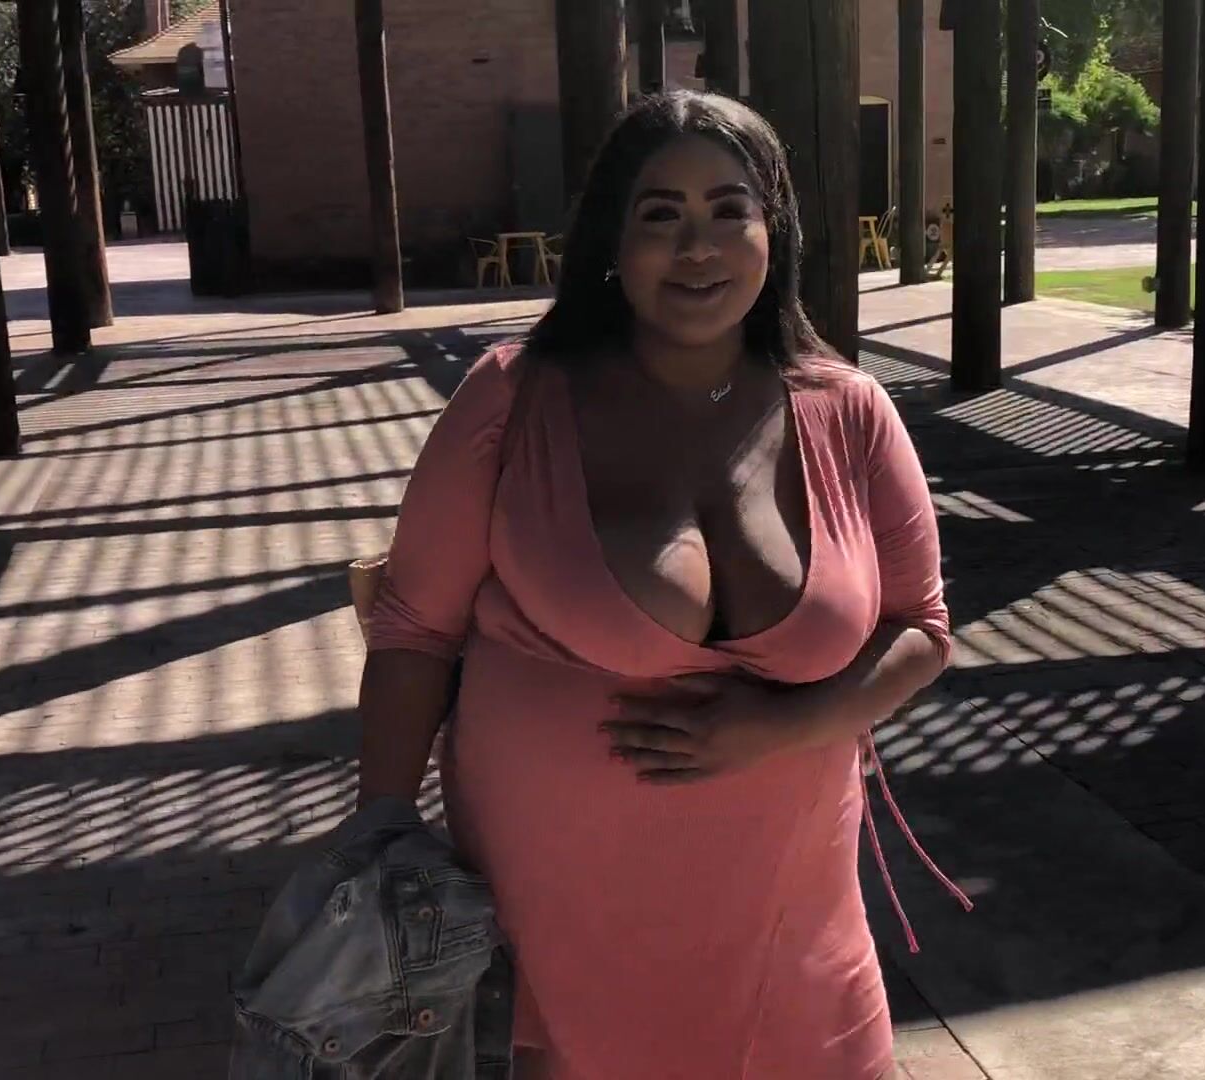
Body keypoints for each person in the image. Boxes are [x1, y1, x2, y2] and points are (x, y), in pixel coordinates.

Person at [359, 90, 954, 1079]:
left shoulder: (849, 410)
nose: (697, 247)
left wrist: (787, 724)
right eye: (660, 214)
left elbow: (922, 627)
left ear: (773, 229)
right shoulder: (514, 398)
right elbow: (414, 627)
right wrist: (377, 834)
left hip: (793, 911)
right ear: (612, 239)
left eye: (729, 210)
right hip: (559, 917)